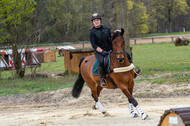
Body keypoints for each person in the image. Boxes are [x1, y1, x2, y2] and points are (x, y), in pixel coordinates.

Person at [89, 13, 141, 86]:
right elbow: (94, 45)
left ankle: (133, 72)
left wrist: (119, 32)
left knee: (127, 55)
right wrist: (102, 51)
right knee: (101, 62)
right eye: (94, 21)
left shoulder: (106, 28)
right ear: (93, 22)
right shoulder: (92, 32)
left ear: (100, 20)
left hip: (110, 50)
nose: (96, 22)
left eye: (97, 20)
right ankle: (102, 79)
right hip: (100, 52)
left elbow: (114, 35)